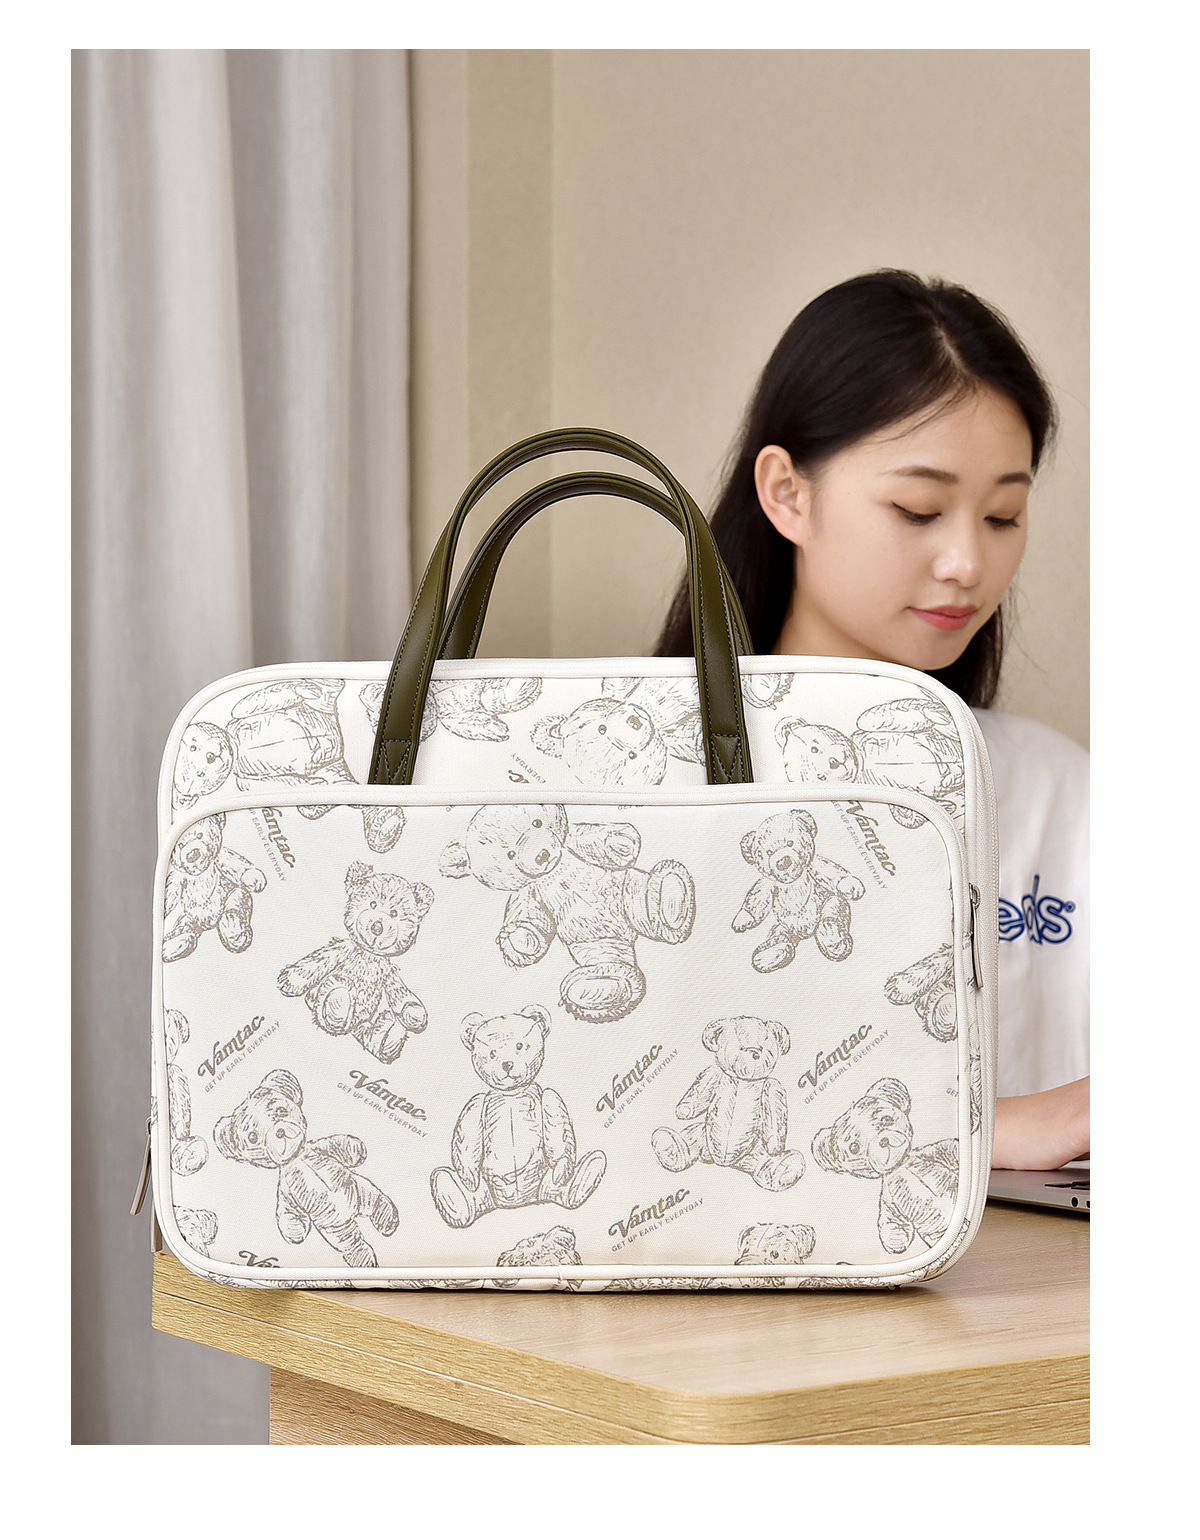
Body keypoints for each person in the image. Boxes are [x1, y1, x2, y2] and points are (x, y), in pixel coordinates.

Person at [656, 269, 1088, 1170]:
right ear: (788, 494)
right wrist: (990, 1130)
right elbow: (636, 1107)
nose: (967, 561)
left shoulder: (1060, 793)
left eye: (1003, 515)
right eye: (918, 510)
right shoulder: (647, 777)